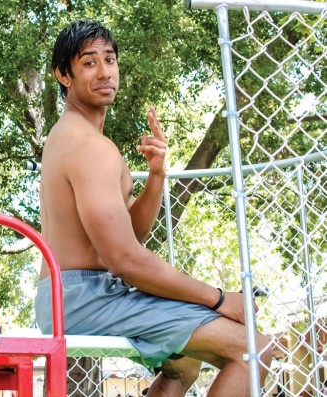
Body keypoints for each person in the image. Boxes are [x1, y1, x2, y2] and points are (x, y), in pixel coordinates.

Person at [35, 20, 273, 396]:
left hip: (72, 296)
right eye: (89, 63)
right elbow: (126, 260)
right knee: (254, 348)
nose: (104, 72)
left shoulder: (76, 139)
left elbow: (130, 233)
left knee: (184, 362)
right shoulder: (89, 147)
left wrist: (157, 174)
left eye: (109, 60)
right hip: (84, 297)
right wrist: (222, 299)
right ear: (64, 75)